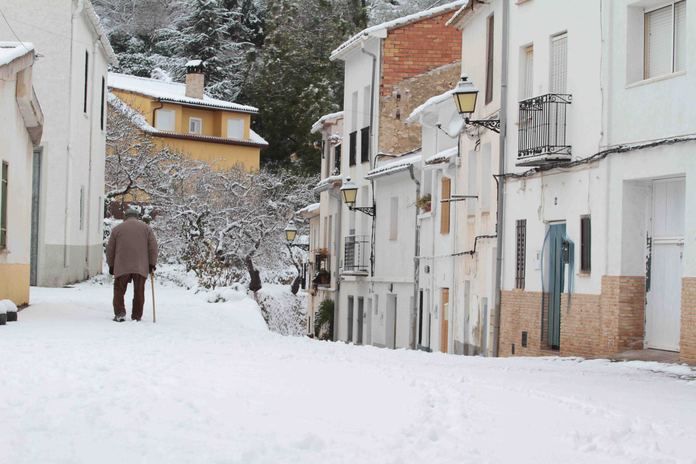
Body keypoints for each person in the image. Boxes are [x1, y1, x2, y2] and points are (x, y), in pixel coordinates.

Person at [106, 208, 158, 322]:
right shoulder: (146, 229)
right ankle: (136, 315)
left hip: (121, 264)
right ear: (137, 216)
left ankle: (120, 313)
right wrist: (152, 263)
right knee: (139, 291)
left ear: (126, 217)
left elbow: (110, 249)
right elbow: (153, 248)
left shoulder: (117, 229)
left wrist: (111, 265)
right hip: (141, 265)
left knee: (119, 290)